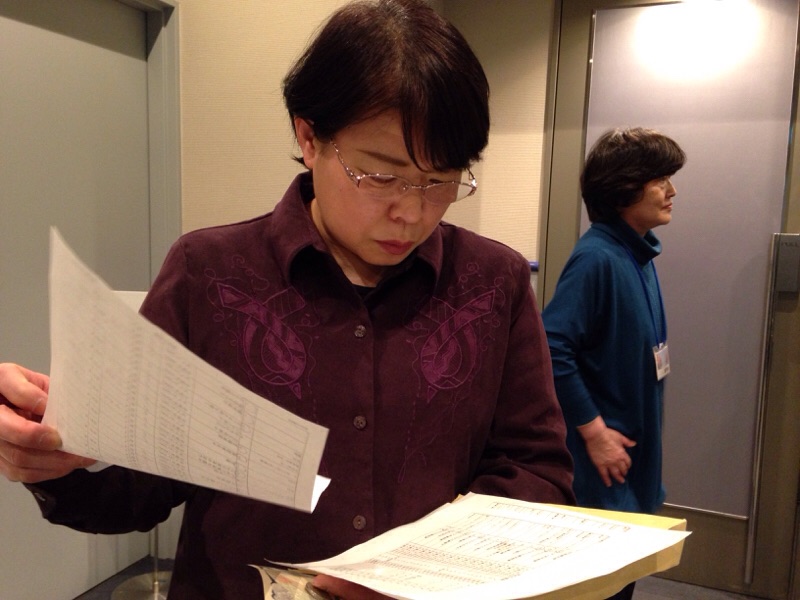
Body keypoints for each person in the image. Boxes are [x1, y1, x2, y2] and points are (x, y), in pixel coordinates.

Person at [0, 1, 574, 598]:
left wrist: (434, 571)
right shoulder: (211, 274)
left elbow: (536, 469)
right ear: (309, 138)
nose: (411, 211)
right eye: (381, 176)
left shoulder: (491, 282)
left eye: (440, 180)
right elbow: (136, 487)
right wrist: (47, 455)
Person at [542, 127, 686, 600]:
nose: (672, 191)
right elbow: (552, 346)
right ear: (624, 188)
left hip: (631, 461)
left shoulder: (637, 254)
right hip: (603, 470)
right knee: (601, 590)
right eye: (660, 180)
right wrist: (595, 433)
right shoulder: (596, 259)